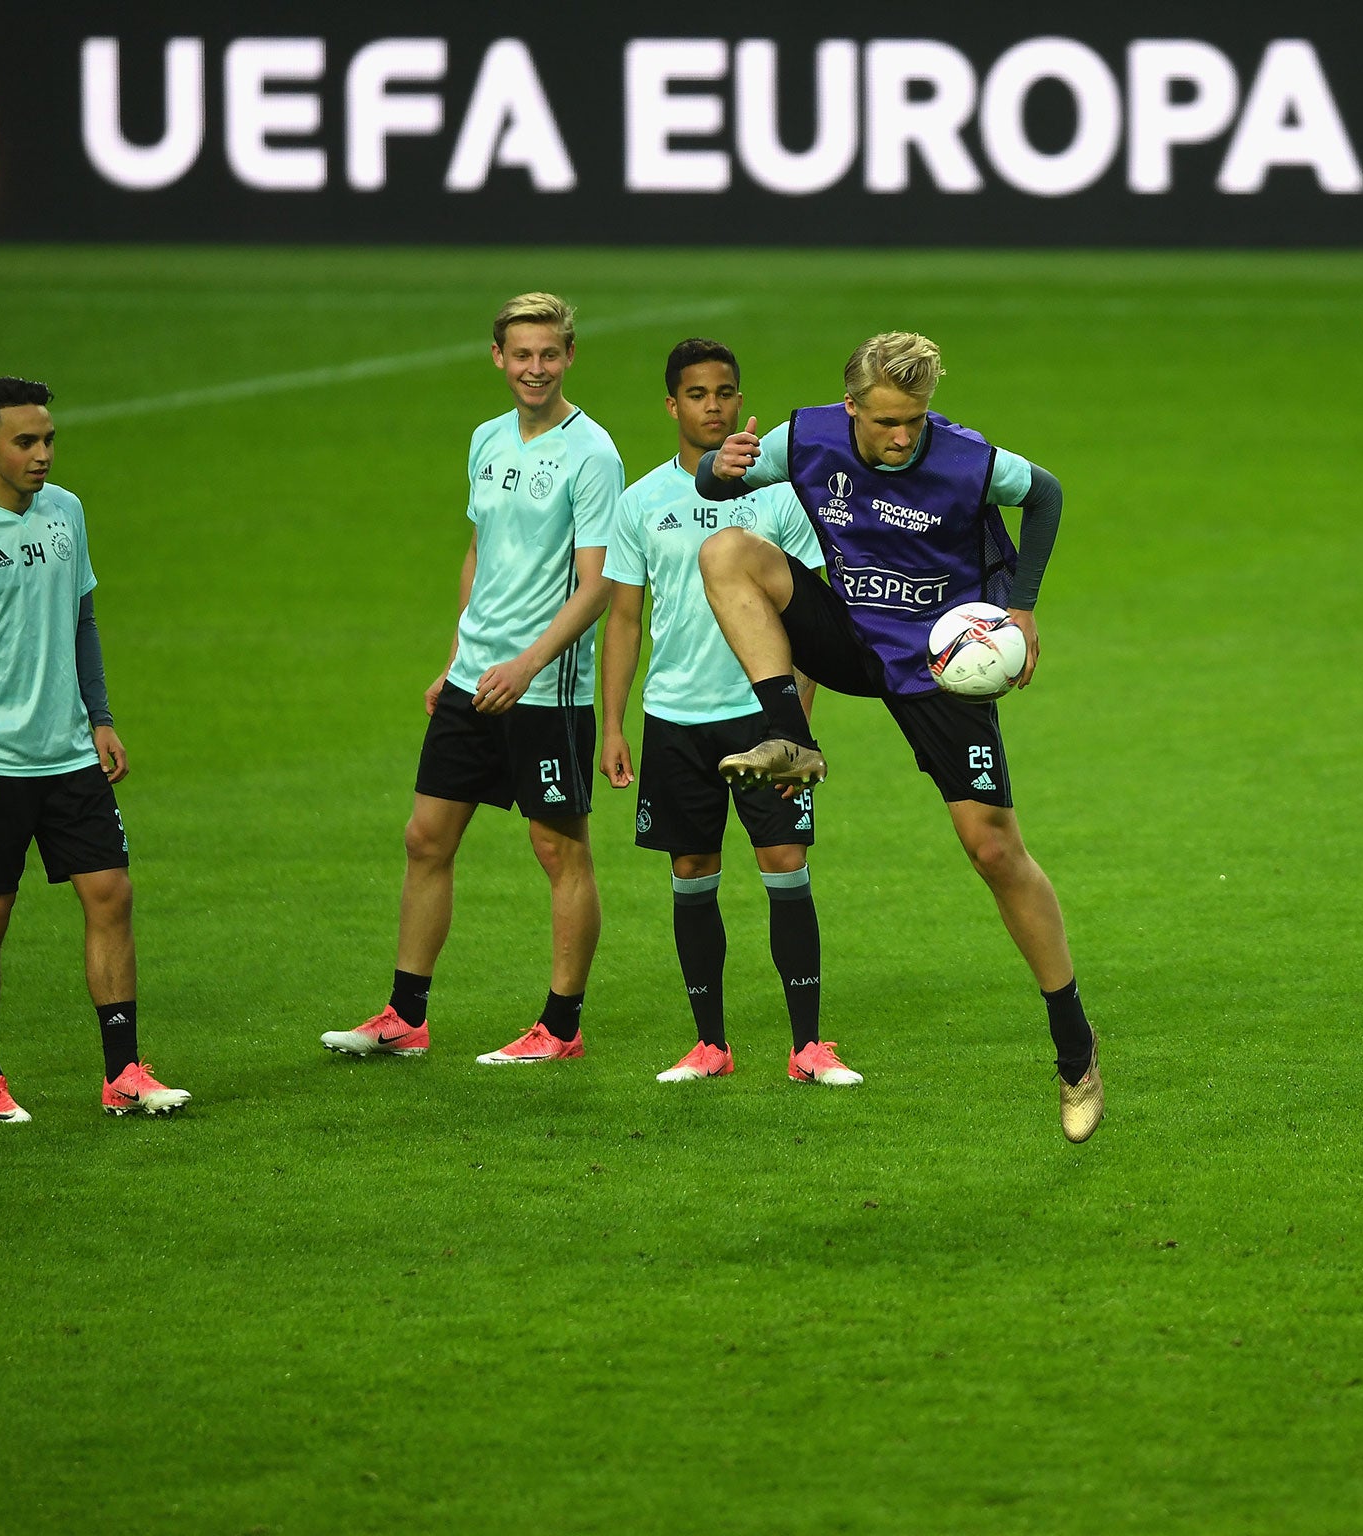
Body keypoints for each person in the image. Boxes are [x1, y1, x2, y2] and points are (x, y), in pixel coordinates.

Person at [693, 332, 1104, 1141]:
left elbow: (1047, 493)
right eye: (886, 421)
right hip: (850, 637)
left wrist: (1020, 606)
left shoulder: (966, 459)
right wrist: (722, 463)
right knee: (727, 551)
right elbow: (715, 485)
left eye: (914, 420)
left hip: (943, 662)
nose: (902, 437)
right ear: (852, 407)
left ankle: (1076, 1049)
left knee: (992, 850)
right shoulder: (805, 438)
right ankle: (789, 737)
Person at [323, 293, 622, 1066]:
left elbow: (598, 586)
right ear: (498, 357)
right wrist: (458, 656)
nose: (534, 369)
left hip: (547, 688)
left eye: (548, 354)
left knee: (559, 851)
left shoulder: (592, 454)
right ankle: (406, 1017)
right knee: (426, 838)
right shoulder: (486, 438)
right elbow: (479, 552)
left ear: (569, 356)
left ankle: (560, 1027)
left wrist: (527, 666)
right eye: (520, 355)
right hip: (475, 678)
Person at [0, 377, 189, 1122]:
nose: (42, 454)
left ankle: (123, 1073)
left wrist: (100, 718)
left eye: (48, 440)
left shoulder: (66, 512)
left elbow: (83, 621)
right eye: (25, 442)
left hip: (69, 752)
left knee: (111, 895)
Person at [600, 338, 859, 1087]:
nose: (714, 406)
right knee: (692, 871)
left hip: (759, 719)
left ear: (740, 400)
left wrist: (795, 730)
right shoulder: (642, 501)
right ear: (673, 404)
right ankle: (709, 1045)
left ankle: (808, 1047)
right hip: (675, 718)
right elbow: (623, 620)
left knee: (785, 866)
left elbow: (814, 617)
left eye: (725, 393)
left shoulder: (778, 496)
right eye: (698, 394)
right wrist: (613, 725)